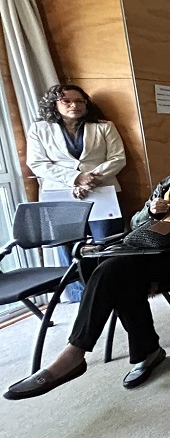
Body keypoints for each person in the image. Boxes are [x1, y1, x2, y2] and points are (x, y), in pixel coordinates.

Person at [5, 130, 170, 399]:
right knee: (113, 273)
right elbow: (136, 224)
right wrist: (151, 211)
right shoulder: (168, 182)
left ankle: (83, 353)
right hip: (149, 251)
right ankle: (135, 352)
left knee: (114, 274)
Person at [26, 84, 126, 302]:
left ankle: (110, 291)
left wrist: (88, 180)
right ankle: (81, 296)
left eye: (80, 101)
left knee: (107, 244)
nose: (74, 105)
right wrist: (74, 178)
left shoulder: (104, 127)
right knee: (70, 247)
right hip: (61, 195)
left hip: (102, 192)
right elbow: (37, 163)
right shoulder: (39, 129)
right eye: (67, 101)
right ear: (54, 104)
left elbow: (118, 158)